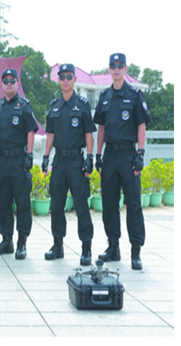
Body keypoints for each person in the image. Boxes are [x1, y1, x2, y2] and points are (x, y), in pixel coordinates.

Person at [93, 53, 151, 270]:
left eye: (120, 65)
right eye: (113, 65)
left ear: (125, 68)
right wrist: (98, 154)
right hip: (109, 156)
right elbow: (101, 127)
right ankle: (113, 246)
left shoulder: (134, 95)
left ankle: (136, 250)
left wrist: (140, 153)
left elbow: (141, 125)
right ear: (109, 69)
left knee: (133, 203)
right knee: (109, 204)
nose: (116, 69)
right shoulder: (104, 96)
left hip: (128, 156)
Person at [41, 64, 96, 266]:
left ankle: (86, 248)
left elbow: (89, 133)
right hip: (59, 161)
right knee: (56, 205)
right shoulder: (54, 106)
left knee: (81, 205)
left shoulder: (82, 105)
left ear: (74, 79)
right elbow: (50, 134)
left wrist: (89, 157)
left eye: (69, 77)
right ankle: (58, 246)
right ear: (58, 80)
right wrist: (45, 157)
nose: (65, 80)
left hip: (75, 161)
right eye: (62, 77)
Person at [0, 68, 38, 260]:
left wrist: (29, 154)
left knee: (22, 202)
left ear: (17, 83)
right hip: (2, 161)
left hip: (19, 160)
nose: (9, 84)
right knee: (2, 201)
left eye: (12, 81)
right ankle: (6, 240)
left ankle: (22, 242)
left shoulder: (24, 106)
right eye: (6, 81)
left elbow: (30, 131)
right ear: (2, 84)